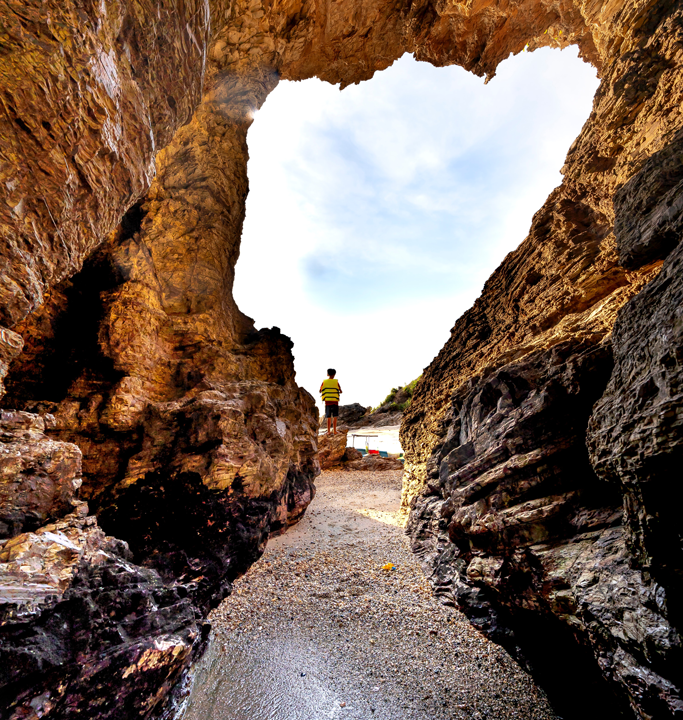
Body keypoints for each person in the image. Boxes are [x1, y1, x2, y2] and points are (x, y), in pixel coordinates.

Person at [320, 368, 342, 435]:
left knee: (328, 417)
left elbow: (320, 390)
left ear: (327, 374)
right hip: (335, 401)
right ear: (334, 374)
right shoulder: (336, 382)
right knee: (335, 416)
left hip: (328, 402)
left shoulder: (324, 382)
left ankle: (328, 431)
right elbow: (340, 391)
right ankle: (335, 431)